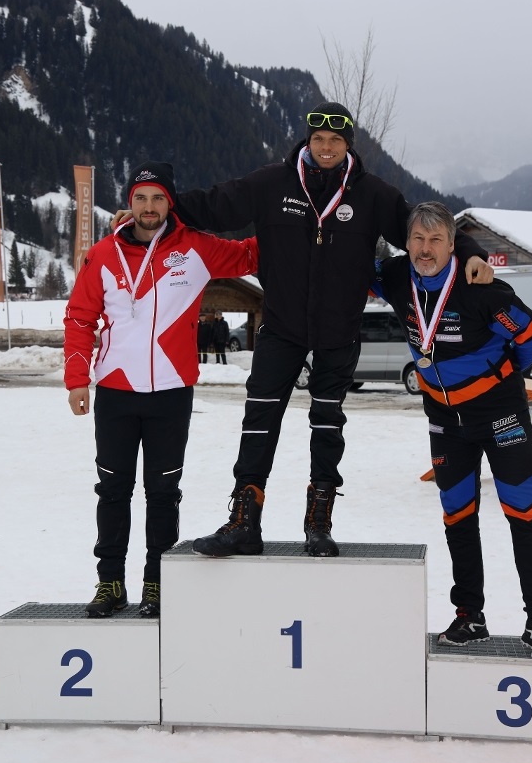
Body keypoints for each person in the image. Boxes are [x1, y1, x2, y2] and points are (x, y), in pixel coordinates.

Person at [166, 101, 494, 558]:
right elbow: (213, 205)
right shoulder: (271, 183)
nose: (326, 147)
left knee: (327, 425)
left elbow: (422, 228)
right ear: (307, 140)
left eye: (335, 140)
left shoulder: (372, 195)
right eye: (318, 139)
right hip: (281, 327)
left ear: (348, 145)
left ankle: (318, 522)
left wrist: (472, 251)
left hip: (339, 331)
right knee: (259, 421)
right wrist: (158, 209)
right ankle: (244, 521)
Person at [64, 161, 259, 619]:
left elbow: (250, 255)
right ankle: (110, 583)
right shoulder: (102, 254)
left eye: (157, 198)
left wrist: (293, 220)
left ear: (170, 203)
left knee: (164, 493)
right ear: (129, 203)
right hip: (115, 393)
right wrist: (77, 380)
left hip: (171, 392)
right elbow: (79, 318)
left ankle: (158, 582)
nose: (148, 207)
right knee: (113, 491)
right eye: (140, 198)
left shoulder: (196, 248)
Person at [371, 201, 532, 660]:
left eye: (436, 240)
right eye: (418, 239)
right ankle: (469, 615)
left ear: (453, 245)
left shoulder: (482, 289)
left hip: (501, 417)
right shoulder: (396, 278)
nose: (425, 249)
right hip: (445, 421)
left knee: (522, 512)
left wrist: (500, 378)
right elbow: (350, 265)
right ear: (406, 242)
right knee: (457, 515)